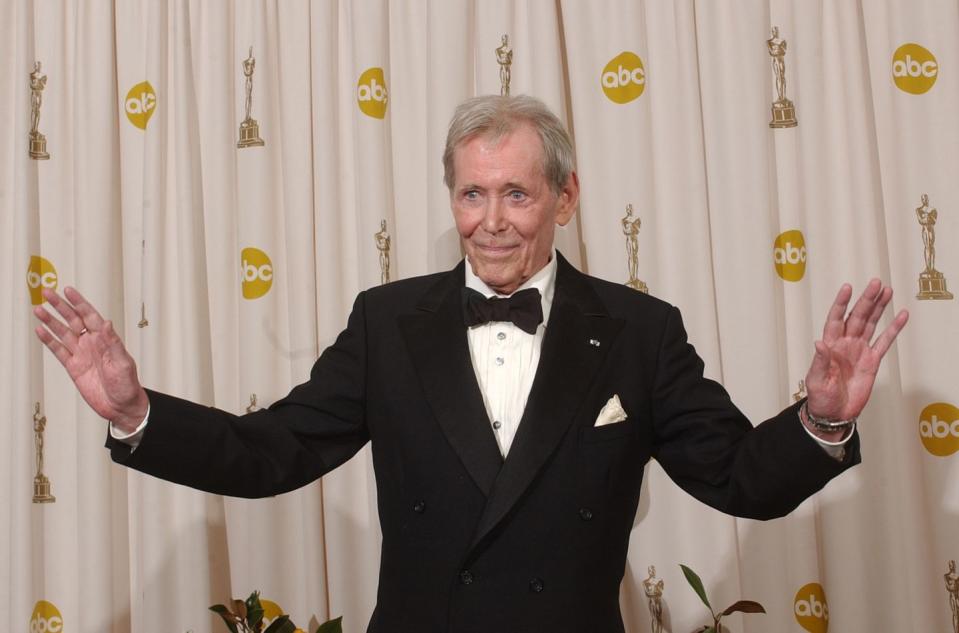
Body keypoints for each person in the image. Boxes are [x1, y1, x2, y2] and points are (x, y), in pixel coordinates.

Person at [33, 95, 909, 632]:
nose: (490, 220)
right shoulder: (388, 323)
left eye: (517, 192)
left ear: (566, 196)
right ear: (451, 196)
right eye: (471, 192)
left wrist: (819, 418)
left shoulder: (640, 331)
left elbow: (735, 478)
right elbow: (273, 452)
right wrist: (136, 409)